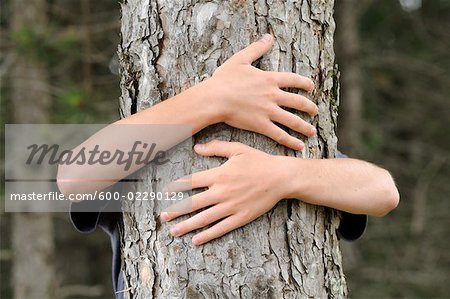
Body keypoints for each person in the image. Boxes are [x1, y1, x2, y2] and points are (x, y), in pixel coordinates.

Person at [61, 34, 399, 298]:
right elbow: (73, 175)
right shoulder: (142, 150)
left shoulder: (294, 149)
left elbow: (382, 190)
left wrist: (283, 176)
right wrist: (215, 98)